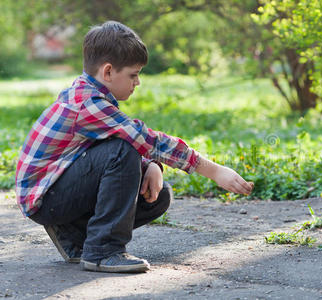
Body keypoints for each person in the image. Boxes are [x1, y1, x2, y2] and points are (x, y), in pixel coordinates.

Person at [15, 21, 254, 273]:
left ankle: (75, 236)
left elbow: (107, 144)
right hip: (43, 197)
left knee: (157, 197)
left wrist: (149, 164)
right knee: (122, 150)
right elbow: (144, 140)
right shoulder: (87, 103)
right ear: (108, 72)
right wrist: (214, 171)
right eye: (133, 74)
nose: (138, 82)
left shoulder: (93, 95)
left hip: (56, 190)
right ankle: (103, 251)